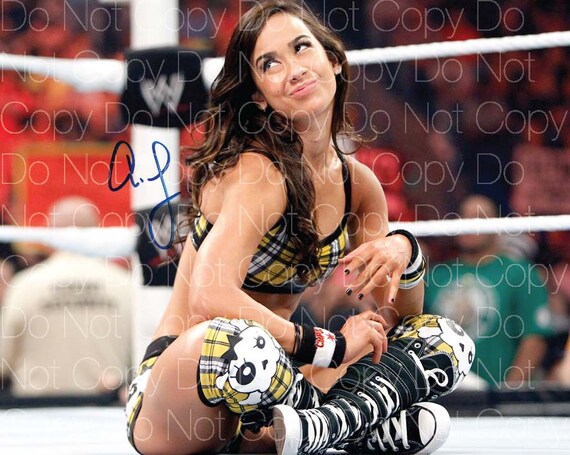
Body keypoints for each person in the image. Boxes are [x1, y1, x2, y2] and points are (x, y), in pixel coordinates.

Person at [125, 2, 474, 454]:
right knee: (242, 345)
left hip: (280, 387)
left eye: (301, 47)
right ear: (258, 95)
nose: (293, 70)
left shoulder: (359, 186)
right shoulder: (257, 172)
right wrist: (330, 348)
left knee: (445, 340)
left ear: (334, 60)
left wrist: (405, 252)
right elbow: (209, 297)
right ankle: (354, 425)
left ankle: (315, 428)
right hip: (188, 390)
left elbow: (393, 320)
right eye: (270, 64)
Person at [0, 196, 132, 397]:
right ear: (97, 231)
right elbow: (146, 358)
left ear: (50, 233)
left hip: (34, 410)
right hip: (106, 408)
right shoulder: (126, 285)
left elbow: (3, 360)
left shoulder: (25, 285)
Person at [424, 194, 554, 388]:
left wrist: (509, 392)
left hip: (498, 391)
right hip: (442, 392)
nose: (469, 224)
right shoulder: (436, 276)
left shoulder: (518, 273)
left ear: (496, 225)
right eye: (464, 217)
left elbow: (534, 338)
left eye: (478, 217)